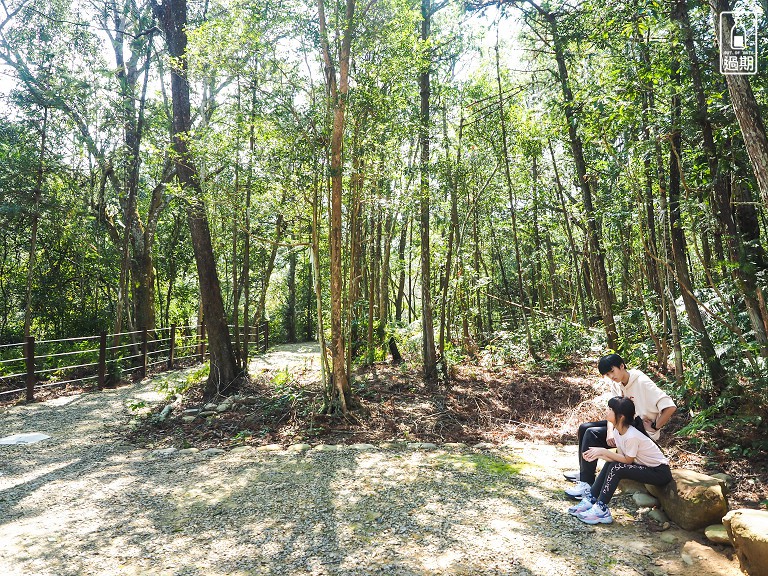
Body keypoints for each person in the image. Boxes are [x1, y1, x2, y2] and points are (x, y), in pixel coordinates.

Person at [564, 353, 676, 499]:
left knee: (592, 434)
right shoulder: (617, 384)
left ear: (622, 366)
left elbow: (670, 407)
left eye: (612, 371)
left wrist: (655, 426)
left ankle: (587, 484)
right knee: (585, 427)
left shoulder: (642, 382)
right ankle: (585, 473)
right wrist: (610, 432)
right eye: (608, 374)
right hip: (624, 423)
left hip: (639, 430)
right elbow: (614, 410)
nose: (611, 376)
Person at [568, 396, 673, 524]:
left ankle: (602, 509)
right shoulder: (618, 432)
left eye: (611, 409)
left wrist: (604, 451)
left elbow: (628, 461)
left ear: (621, 416)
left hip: (659, 472)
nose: (607, 411)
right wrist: (598, 455)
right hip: (646, 467)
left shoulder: (632, 436)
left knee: (616, 468)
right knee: (612, 464)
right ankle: (591, 499)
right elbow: (620, 458)